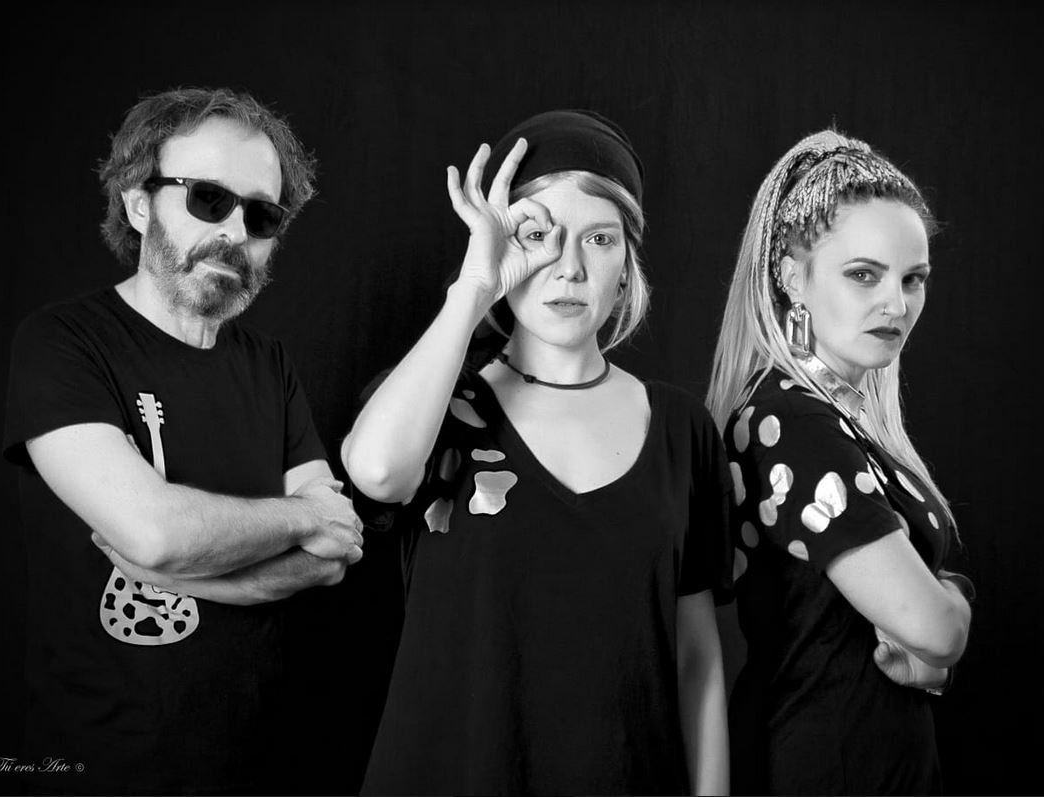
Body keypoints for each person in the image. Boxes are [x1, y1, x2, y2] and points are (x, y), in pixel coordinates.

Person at [342, 110, 733, 796]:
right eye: (537, 234)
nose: (569, 267)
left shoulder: (681, 429)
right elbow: (376, 472)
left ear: (626, 265)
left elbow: (697, 657)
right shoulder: (437, 403)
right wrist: (474, 288)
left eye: (600, 239)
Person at [2, 87, 364, 795]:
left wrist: (182, 575)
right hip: (97, 769)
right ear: (139, 203)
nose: (234, 231)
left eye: (261, 215)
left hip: (264, 764)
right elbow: (157, 533)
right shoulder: (62, 343)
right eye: (208, 199)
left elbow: (331, 559)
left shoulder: (269, 365)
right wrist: (301, 517)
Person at [706, 129, 975, 795]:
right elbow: (934, 628)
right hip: (824, 764)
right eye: (863, 274)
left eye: (912, 279)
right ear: (790, 276)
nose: (896, 305)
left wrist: (940, 637)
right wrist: (954, 612)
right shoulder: (791, 422)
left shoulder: (840, 419)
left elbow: (926, 626)